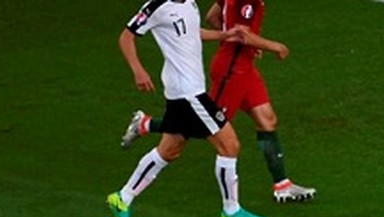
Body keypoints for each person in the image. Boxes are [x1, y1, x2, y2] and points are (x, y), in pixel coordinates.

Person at [120, 0, 317, 204]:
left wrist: (238, 40)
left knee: (267, 120)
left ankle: (282, 185)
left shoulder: (190, 3)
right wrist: (274, 46)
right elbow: (243, 33)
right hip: (231, 73)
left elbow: (212, 18)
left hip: (245, 68)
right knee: (209, 132)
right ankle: (147, 125)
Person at [108, 0, 266, 217]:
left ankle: (123, 198)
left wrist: (225, 35)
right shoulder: (157, 6)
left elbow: (192, 32)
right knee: (230, 145)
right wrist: (138, 70)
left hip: (187, 90)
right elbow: (126, 37)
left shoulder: (190, 3)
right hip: (187, 93)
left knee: (170, 150)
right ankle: (231, 210)